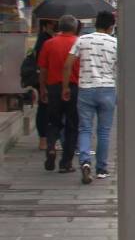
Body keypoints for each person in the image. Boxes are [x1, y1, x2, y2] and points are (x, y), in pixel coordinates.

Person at [65, 10, 118, 184]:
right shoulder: (114, 42)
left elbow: (68, 64)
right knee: (103, 132)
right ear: (111, 26)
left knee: (85, 129)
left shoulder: (82, 40)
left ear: (96, 24)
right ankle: (101, 169)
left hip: (85, 89)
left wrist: (65, 86)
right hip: (107, 90)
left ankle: (85, 161)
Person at [39, 15, 80, 173]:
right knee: (72, 125)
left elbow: (43, 69)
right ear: (74, 28)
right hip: (74, 88)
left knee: (53, 121)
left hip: (54, 87)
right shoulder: (79, 43)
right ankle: (66, 162)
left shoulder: (49, 43)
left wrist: (43, 89)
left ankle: (50, 147)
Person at [32, 19, 56, 151]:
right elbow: (42, 64)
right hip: (44, 79)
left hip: (47, 79)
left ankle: (46, 139)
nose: (55, 25)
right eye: (53, 23)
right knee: (44, 109)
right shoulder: (44, 39)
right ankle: (43, 139)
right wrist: (43, 86)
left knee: (46, 109)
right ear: (47, 24)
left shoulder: (47, 38)